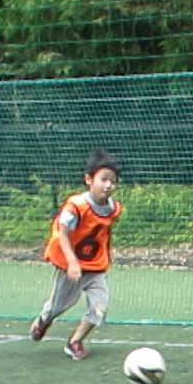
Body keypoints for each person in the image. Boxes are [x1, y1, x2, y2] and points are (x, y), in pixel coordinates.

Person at [30, 151, 122, 360]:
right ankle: (45, 320)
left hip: (95, 266)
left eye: (113, 181)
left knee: (100, 307)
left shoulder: (113, 208)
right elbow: (62, 233)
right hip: (70, 264)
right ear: (89, 179)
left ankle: (75, 341)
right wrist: (72, 262)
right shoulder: (76, 206)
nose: (108, 185)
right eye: (103, 179)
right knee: (59, 305)